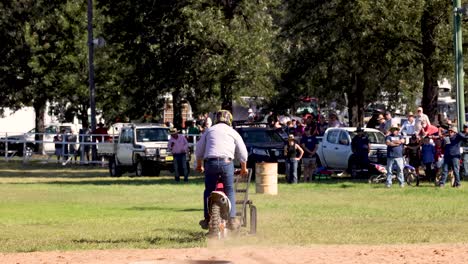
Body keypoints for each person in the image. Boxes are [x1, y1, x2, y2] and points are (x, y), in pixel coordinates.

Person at [195, 110, 248, 231]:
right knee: (229, 189)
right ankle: (233, 219)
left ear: (216, 119)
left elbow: (198, 150)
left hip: (211, 163)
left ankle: (207, 219)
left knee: (208, 190)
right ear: (229, 120)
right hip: (227, 163)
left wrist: (199, 165)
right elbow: (243, 153)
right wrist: (243, 168)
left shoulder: (209, 130)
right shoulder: (232, 132)